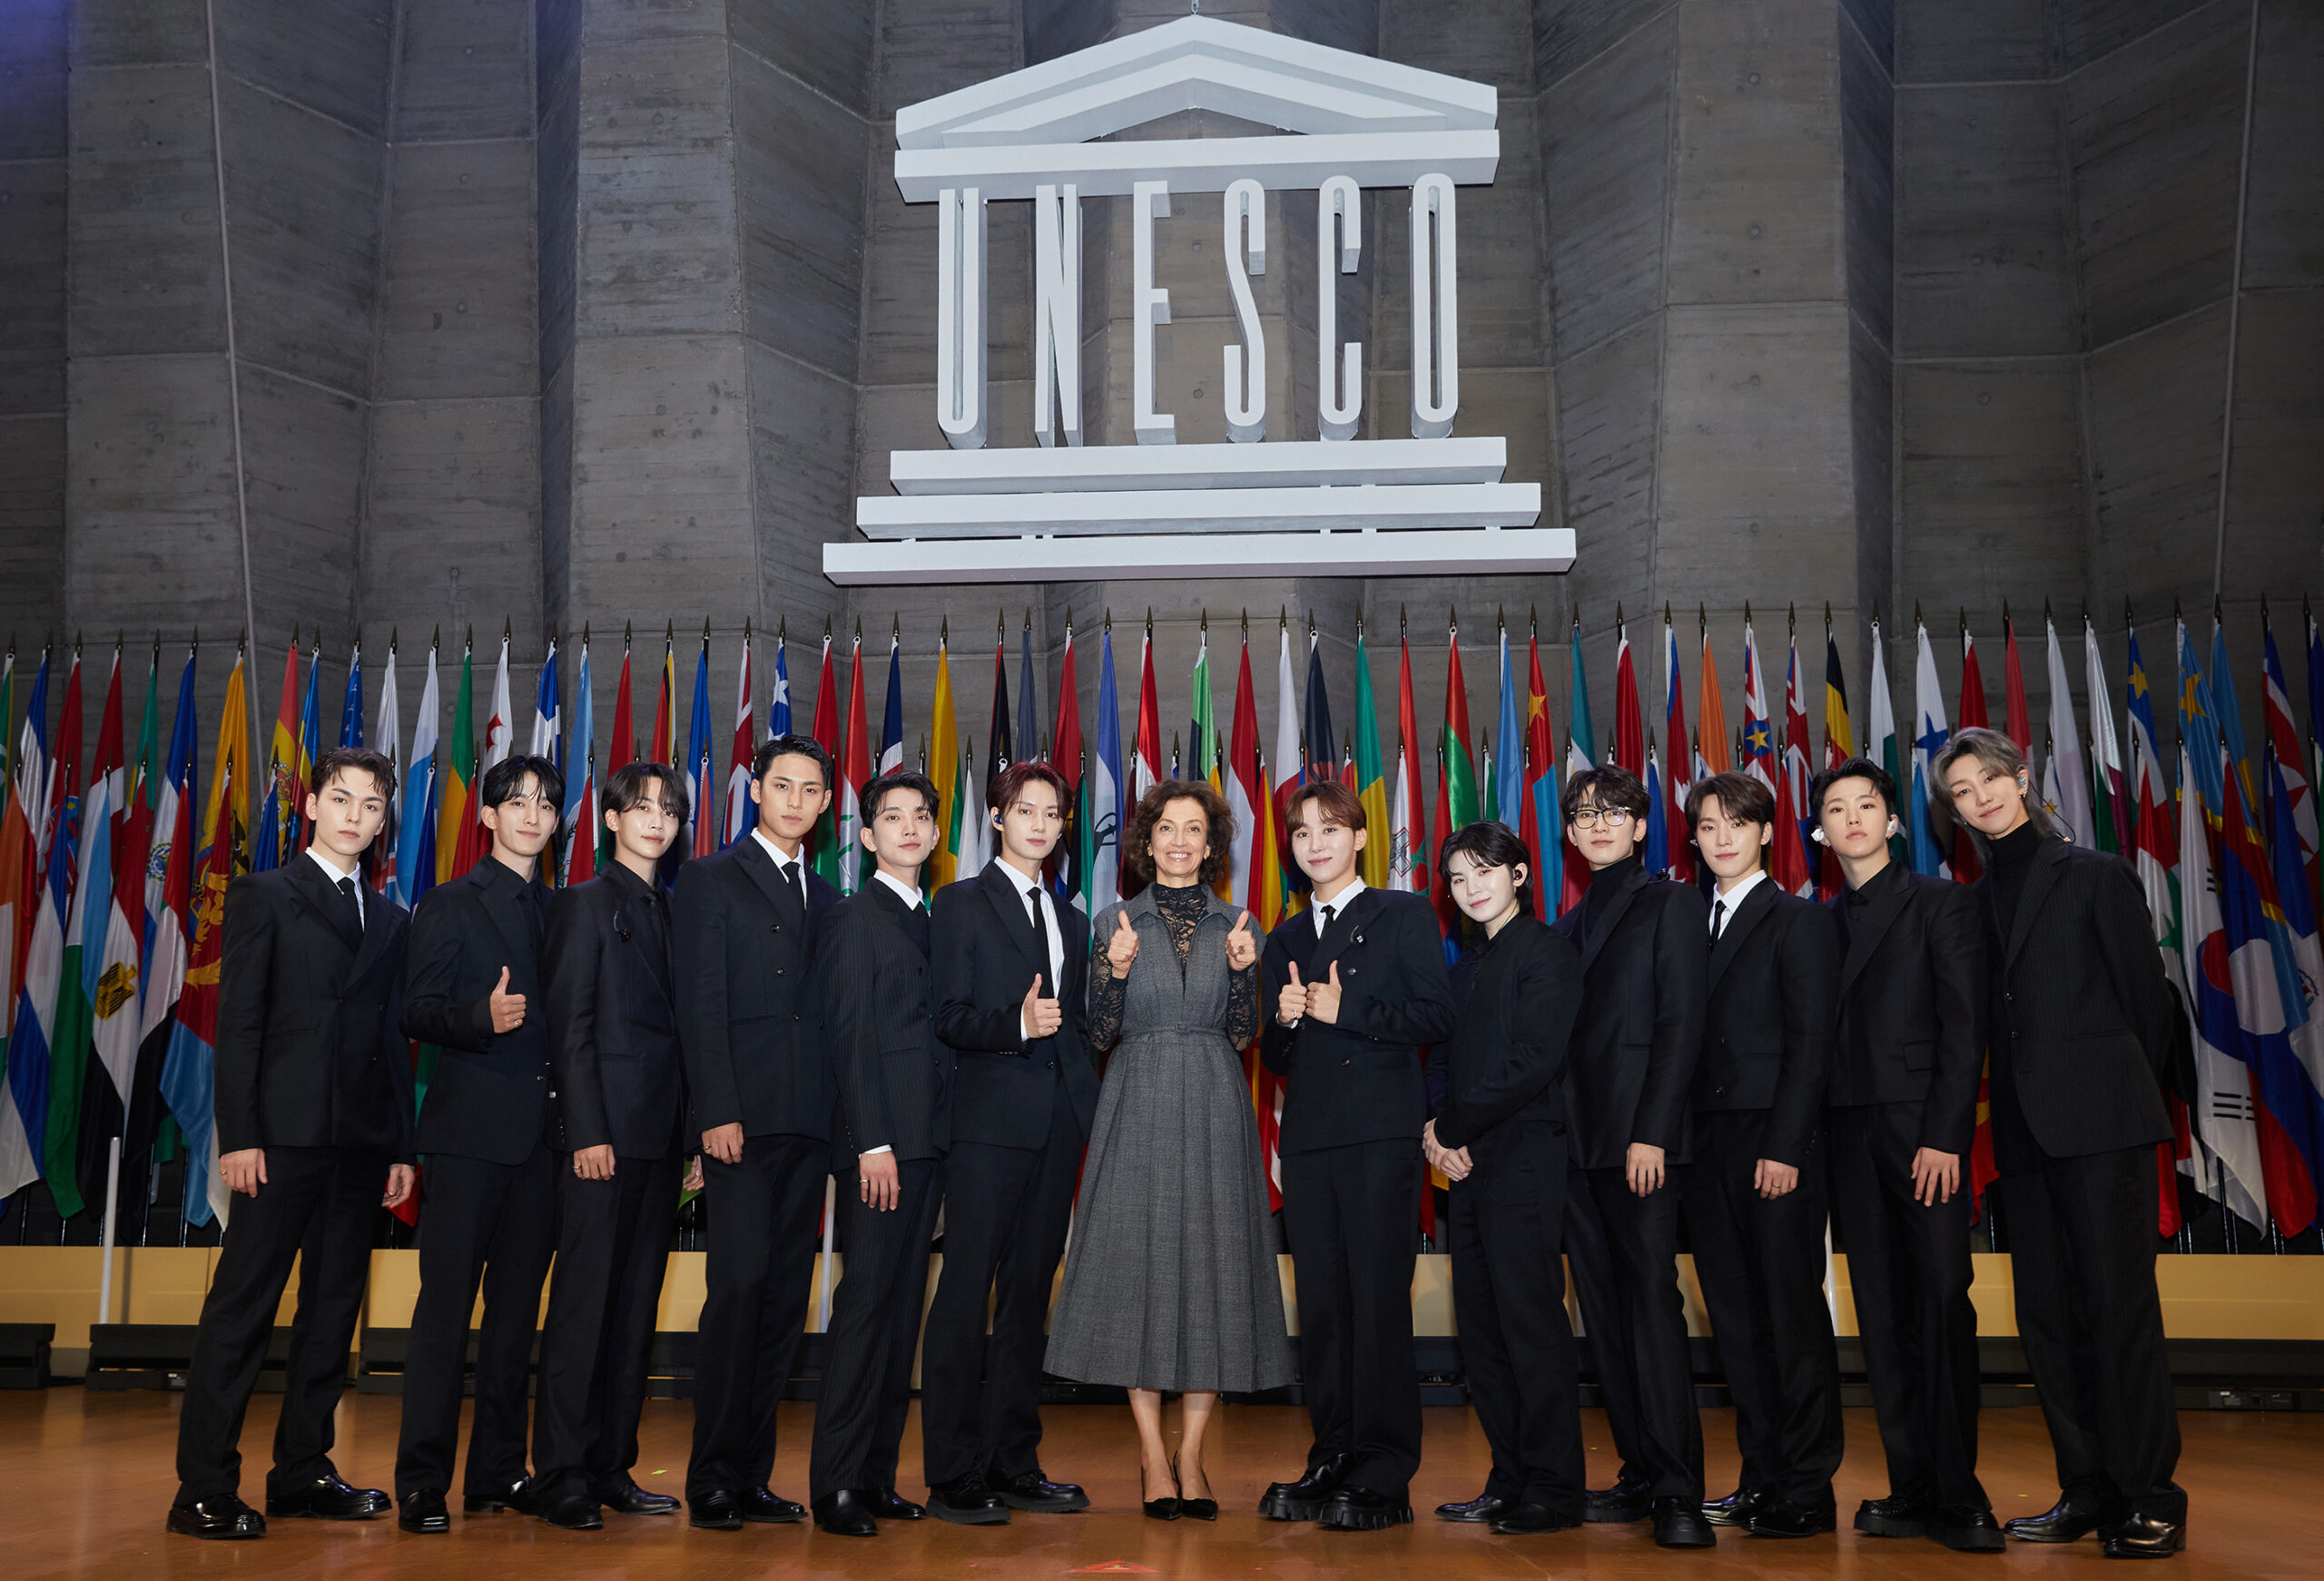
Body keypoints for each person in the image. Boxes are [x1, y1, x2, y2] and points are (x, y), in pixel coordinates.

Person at [1936, 728, 2184, 1558]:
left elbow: (2147, 1007)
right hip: (2022, 1136)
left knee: (2119, 1313)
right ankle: (2087, 1486)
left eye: (1989, 780)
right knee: (2047, 1318)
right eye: (1962, 792)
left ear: (2022, 777)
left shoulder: (2094, 874)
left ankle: (2151, 1497)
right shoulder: (1970, 902)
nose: (1979, 798)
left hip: (2103, 1125)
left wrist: (2114, 1100)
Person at [167, 747, 413, 1540]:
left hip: (360, 1145)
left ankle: (303, 1472)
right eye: (340, 798)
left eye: (370, 806)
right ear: (310, 805)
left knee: (332, 1312)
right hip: (278, 1142)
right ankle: (203, 1487)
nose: (353, 816)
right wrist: (239, 1137)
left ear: (383, 822)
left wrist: (400, 1147)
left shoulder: (393, 919)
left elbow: (393, 1041)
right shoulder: (264, 894)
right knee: (243, 1309)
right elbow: (238, 1024)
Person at [1047, 779, 1291, 1524]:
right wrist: (1115, 970)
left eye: (1194, 830)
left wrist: (1246, 973)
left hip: (1216, 1100)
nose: (1180, 841)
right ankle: (1153, 1455)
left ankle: (1192, 1454)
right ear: (1146, 842)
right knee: (1138, 1269)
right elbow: (1098, 1032)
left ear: (1211, 845)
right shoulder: (1113, 921)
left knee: (1214, 1270)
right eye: (1166, 829)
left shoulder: (1239, 922)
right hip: (1136, 1096)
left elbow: (1245, 1036)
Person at [1812, 756, 2000, 1552]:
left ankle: (1961, 1494)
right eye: (1836, 809)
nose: (1852, 818)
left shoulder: (1941, 902)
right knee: (1882, 1313)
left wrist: (1945, 1136)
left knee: (1942, 1298)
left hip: (1924, 1133)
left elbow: (1964, 1028)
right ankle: (1910, 1485)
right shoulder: (1815, 922)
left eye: (1866, 805)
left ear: (1892, 821)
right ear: (1820, 833)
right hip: (1846, 1137)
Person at [1257, 781, 1455, 1532]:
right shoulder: (1284, 938)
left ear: (1361, 839)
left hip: (1379, 1137)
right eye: (1302, 832)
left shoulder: (1402, 913)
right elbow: (1276, 1061)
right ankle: (1332, 1453)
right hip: (1310, 1142)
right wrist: (1282, 1023)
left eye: (1331, 829)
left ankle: (1384, 1468)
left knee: (1376, 1303)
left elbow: (1436, 1014)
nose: (1316, 844)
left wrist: (1351, 1011)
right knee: (1324, 1307)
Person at [393, 753, 566, 1533]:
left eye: (546, 805)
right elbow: (415, 1009)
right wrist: (477, 1019)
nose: (532, 815)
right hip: (468, 1139)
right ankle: (422, 1482)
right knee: (445, 1314)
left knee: (515, 1318)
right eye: (517, 802)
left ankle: (497, 1471)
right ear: (488, 816)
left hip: (544, 1144)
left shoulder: (564, 909)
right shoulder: (450, 902)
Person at [922, 761, 1097, 1523]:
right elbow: (947, 1016)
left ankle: (1014, 1460)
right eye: (1024, 810)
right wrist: (1015, 1026)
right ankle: (953, 1471)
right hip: (987, 1129)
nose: (1039, 824)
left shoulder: (1075, 920)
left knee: (1029, 1297)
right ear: (997, 817)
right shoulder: (960, 902)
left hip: (1059, 1127)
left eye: (1052, 813)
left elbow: (1080, 1028)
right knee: (965, 1296)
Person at [675, 733, 840, 1531]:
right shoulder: (710, 877)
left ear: (827, 803)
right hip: (739, 1121)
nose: (796, 801)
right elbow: (699, 1003)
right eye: (783, 786)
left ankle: (753, 1476)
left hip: (808, 1121)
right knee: (737, 1292)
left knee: (782, 1303)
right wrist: (715, 1110)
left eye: (811, 790)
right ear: (756, 791)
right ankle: (711, 1477)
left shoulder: (830, 894)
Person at [1548, 762, 1713, 1550]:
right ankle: (1639, 1472)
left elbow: (1681, 1023)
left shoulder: (1672, 902)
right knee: (1605, 1316)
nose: (1599, 824)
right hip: (1575, 1150)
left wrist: (1654, 1131)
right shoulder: (1564, 926)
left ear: (1642, 827)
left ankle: (1680, 1492)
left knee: (1651, 1309)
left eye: (1614, 812)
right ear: (1570, 835)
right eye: (1585, 815)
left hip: (1640, 1144)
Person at [1678, 772, 1844, 1537]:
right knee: (1736, 1322)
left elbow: (1812, 1046)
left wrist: (1786, 1146)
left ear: (1768, 833)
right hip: (1704, 1148)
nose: (1722, 838)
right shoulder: (1687, 921)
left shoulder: (1799, 920)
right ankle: (1761, 1476)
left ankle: (1807, 1488)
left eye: (1737, 824)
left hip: (1774, 1143)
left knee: (1790, 1318)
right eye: (1709, 826)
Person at [531, 763, 690, 1531]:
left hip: (660, 1141)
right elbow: (569, 1030)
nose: (656, 821)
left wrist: (691, 1136)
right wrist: (586, 1131)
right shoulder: (583, 903)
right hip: (601, 1141)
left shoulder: (676, 911)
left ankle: (611, 1466)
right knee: (583, 1309)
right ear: (611, 819)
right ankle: (561, 1473)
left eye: (669, 811)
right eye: (641, 808)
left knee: (633, 1313)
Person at [1423, 820, 1588, 1537]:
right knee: (1483, 1332)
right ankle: (1509, 1477)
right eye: (1458, 879)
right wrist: (1438, 1130)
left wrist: (1452, 1127)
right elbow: (1438, 1062)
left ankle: (1554, 1488)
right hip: (1467, 1167)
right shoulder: (1461, 970)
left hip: (1525, 1158)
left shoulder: (1548, 952)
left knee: (1531, 1326)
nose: (1471, 889)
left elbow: (1535, 1061)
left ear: (1519, 874)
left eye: (1484, 872)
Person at [808, 769, 951, 1538]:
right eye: (892, 817)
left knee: (901, 1316)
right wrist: (872, 1141)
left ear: (936, 834)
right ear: (866, 837)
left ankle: (876, 1477)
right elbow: (850, 1036)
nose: (909, 828)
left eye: (920, 816)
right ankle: (834, 1484)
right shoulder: (852, 918)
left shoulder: (936, 918)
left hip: (930, 1144)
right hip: (880, 1148)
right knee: (864, 1309)